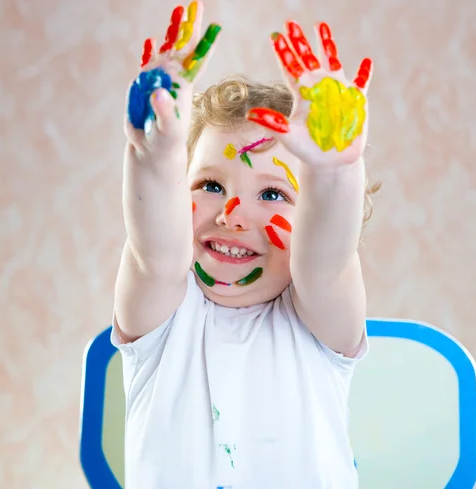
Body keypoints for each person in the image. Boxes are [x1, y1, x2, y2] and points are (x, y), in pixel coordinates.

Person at [112, 2, 378, 487]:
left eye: (273, 194)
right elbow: (158, 256)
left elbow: (326, 265)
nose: (232, 216)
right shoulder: (164, 315)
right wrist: (156, 153)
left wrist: (333, 171)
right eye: (210, 185)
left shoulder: (319, 322)